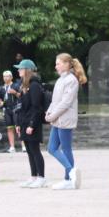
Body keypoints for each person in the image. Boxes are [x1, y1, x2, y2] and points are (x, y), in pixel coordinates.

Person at [45, 53, 87, 190]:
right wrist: (49, 111)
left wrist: (52, 116)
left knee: (66, 148)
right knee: (52, 148)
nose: (56, 66)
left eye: (58, 63)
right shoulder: (60, 80)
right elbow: (55, 100)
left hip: (65, 119)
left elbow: (66, 103)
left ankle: (69, 176)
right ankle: (71, 172)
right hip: (57, 119)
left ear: (66, 64)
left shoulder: (71, 80)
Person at [15, 59, 47, 188]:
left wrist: (31, 125)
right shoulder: (25, 85)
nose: (18, 70)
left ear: (27, 70)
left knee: (35, 150)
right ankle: (33, 176)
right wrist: (18, 123)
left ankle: (41, 177)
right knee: (29, 150)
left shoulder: (34, 86)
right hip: (24, 122)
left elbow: (37, 107)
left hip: (32, 123)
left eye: (20, 68)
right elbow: (22, 107)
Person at [0, 70, 21, 153]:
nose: (6, 78)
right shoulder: (1, 88)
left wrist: (15, 93)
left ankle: (24, 146)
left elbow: (21, 95)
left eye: (8, 76)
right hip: (6, 109)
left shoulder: (16, 85)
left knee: (18, 127)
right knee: (9, 128)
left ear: (11, 77)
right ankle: (12, 147)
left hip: (15, 108)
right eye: (4, 76)